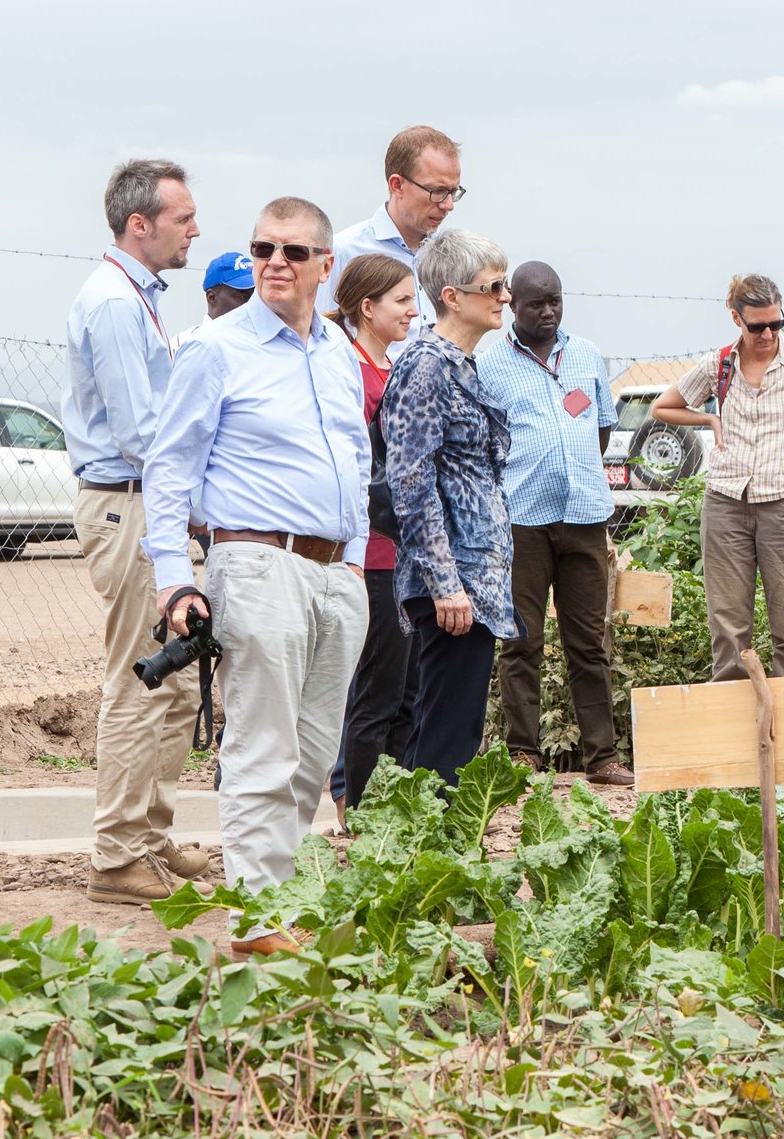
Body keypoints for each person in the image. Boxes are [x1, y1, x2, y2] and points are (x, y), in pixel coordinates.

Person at [143, 196, 371, 956]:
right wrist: (175, 579)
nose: (276, 262)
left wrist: (358, 560)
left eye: (294, 252)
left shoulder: (338, 349)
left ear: (324, 266)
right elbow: (169, 466)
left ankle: (280, 902)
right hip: (259, 559)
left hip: (336, 573)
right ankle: (256, 922)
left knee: (312, 753)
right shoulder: (217, 346)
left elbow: (356, 459)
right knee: (262, 750)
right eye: (264, 248)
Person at [63, 158, 207, 907]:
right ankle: (116, 853)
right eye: (183, 217)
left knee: (174, 679)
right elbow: (141, 431)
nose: (195, 229)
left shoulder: (134, 296)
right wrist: (204, 497)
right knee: (137, 679)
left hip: (148, 503)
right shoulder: (118, 305)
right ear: (140, 224)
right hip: (130, 504)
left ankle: (147, 837)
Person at [479, 260, 633, 785]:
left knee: (588, 642)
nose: (547, 312)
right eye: (535, 304)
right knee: (521, 640)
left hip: (585, 515)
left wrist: (572, 470)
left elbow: (601, 430)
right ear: (511, 305)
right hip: (522, 519)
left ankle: (602, 757)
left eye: (555, 302)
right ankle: (523, 751)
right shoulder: (489, 361)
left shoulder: (586, 354)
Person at [651, 274, 784, 681]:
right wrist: (706, 416)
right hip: (726, 504)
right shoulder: (717, 364)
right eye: (757, 326)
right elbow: (662, 408)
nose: (768, 333)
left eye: (777, 323)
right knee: (728, 633)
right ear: (737, 319)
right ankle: (734, 738)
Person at [381, 230, 515, 784]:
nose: (505, 297)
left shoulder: (462, 365)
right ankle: (428, 859)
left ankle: (423, 851)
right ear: (453, 296)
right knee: (443, 740)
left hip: (474, 582)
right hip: (453, 587)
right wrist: (445, 584)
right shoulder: (426, 366)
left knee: (450, 732)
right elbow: (410, 482)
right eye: (494, 286)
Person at [328, 253, 420, 807]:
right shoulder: (354, 373)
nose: (414, 311)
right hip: (378, 555)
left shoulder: (390, 370)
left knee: (409, 693)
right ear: (367, 307)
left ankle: (391, 807)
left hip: (406, 555)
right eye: (402, 300)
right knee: (377, 692)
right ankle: (354, 804)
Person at [322, 124, 463, 332]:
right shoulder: (344, 250)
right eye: (438, 191)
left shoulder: (455, 255)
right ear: (397, 185)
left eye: (453, 191)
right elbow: (321, 334)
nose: (448, 205)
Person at [172, 251, 254, 349]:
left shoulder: (266, 342)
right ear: (212, 297)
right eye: (243, 297)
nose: (252, 304)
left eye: (256, 298)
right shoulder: (183, 345)